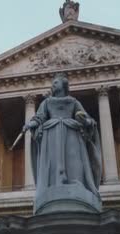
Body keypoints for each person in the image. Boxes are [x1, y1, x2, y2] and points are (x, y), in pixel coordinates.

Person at [25, 73, 102, 212]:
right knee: (53, 160)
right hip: (52, 133)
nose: (52, 85)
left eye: (56, 83)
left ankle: (76, 182)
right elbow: (39, 117)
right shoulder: (46, 102)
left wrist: (86, 121)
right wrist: (30, 124)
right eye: (52, 83)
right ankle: (55, 183)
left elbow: (86, 118)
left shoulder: (73, 102)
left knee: (74, 159)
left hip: (71, 132)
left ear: (64, 85)